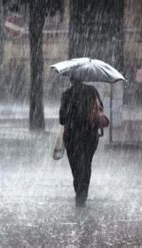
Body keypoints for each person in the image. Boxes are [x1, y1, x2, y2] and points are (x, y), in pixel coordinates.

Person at [59, 77, 103, 207]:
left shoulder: (67, 95)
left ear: (71, 80)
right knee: (87, 164)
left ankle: (79, 192)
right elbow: (100, 109)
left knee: (76, 166)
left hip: (73, 137)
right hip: (90, 135)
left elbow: (62, 119)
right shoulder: (92, 91)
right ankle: (83, 193)